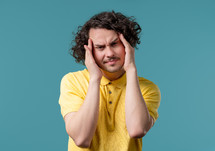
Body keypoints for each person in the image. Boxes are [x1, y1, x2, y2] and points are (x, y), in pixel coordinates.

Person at [59, 11, 161, 151]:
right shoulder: (72, 81)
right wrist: (95, 79)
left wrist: (131, 70)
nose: (110, 53)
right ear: (89, 51)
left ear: (128, 45)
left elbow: (137, 130)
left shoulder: (147, 88)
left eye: (115, 44)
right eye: (100, 47)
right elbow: (81, 138)